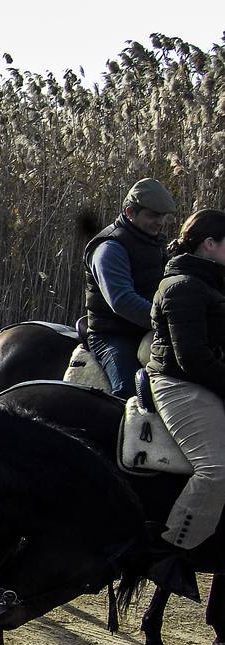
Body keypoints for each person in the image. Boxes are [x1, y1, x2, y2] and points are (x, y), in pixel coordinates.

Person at [145, 209, 225, 551]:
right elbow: (191, 359)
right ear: (210, 244)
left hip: (205, 378)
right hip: (179, 384)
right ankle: (170, 553)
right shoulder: (182, 286)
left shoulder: (209, 281)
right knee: (216, 470)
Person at [84, 178, 179, 398]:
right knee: (129, 391)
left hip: (150, 329)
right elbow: (122, 301)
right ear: (130, 212)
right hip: (114, 334)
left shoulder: (154, 241)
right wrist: (165, 322)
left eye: (163, 216)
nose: (160, 222)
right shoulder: (110, 247)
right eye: (153, 215)